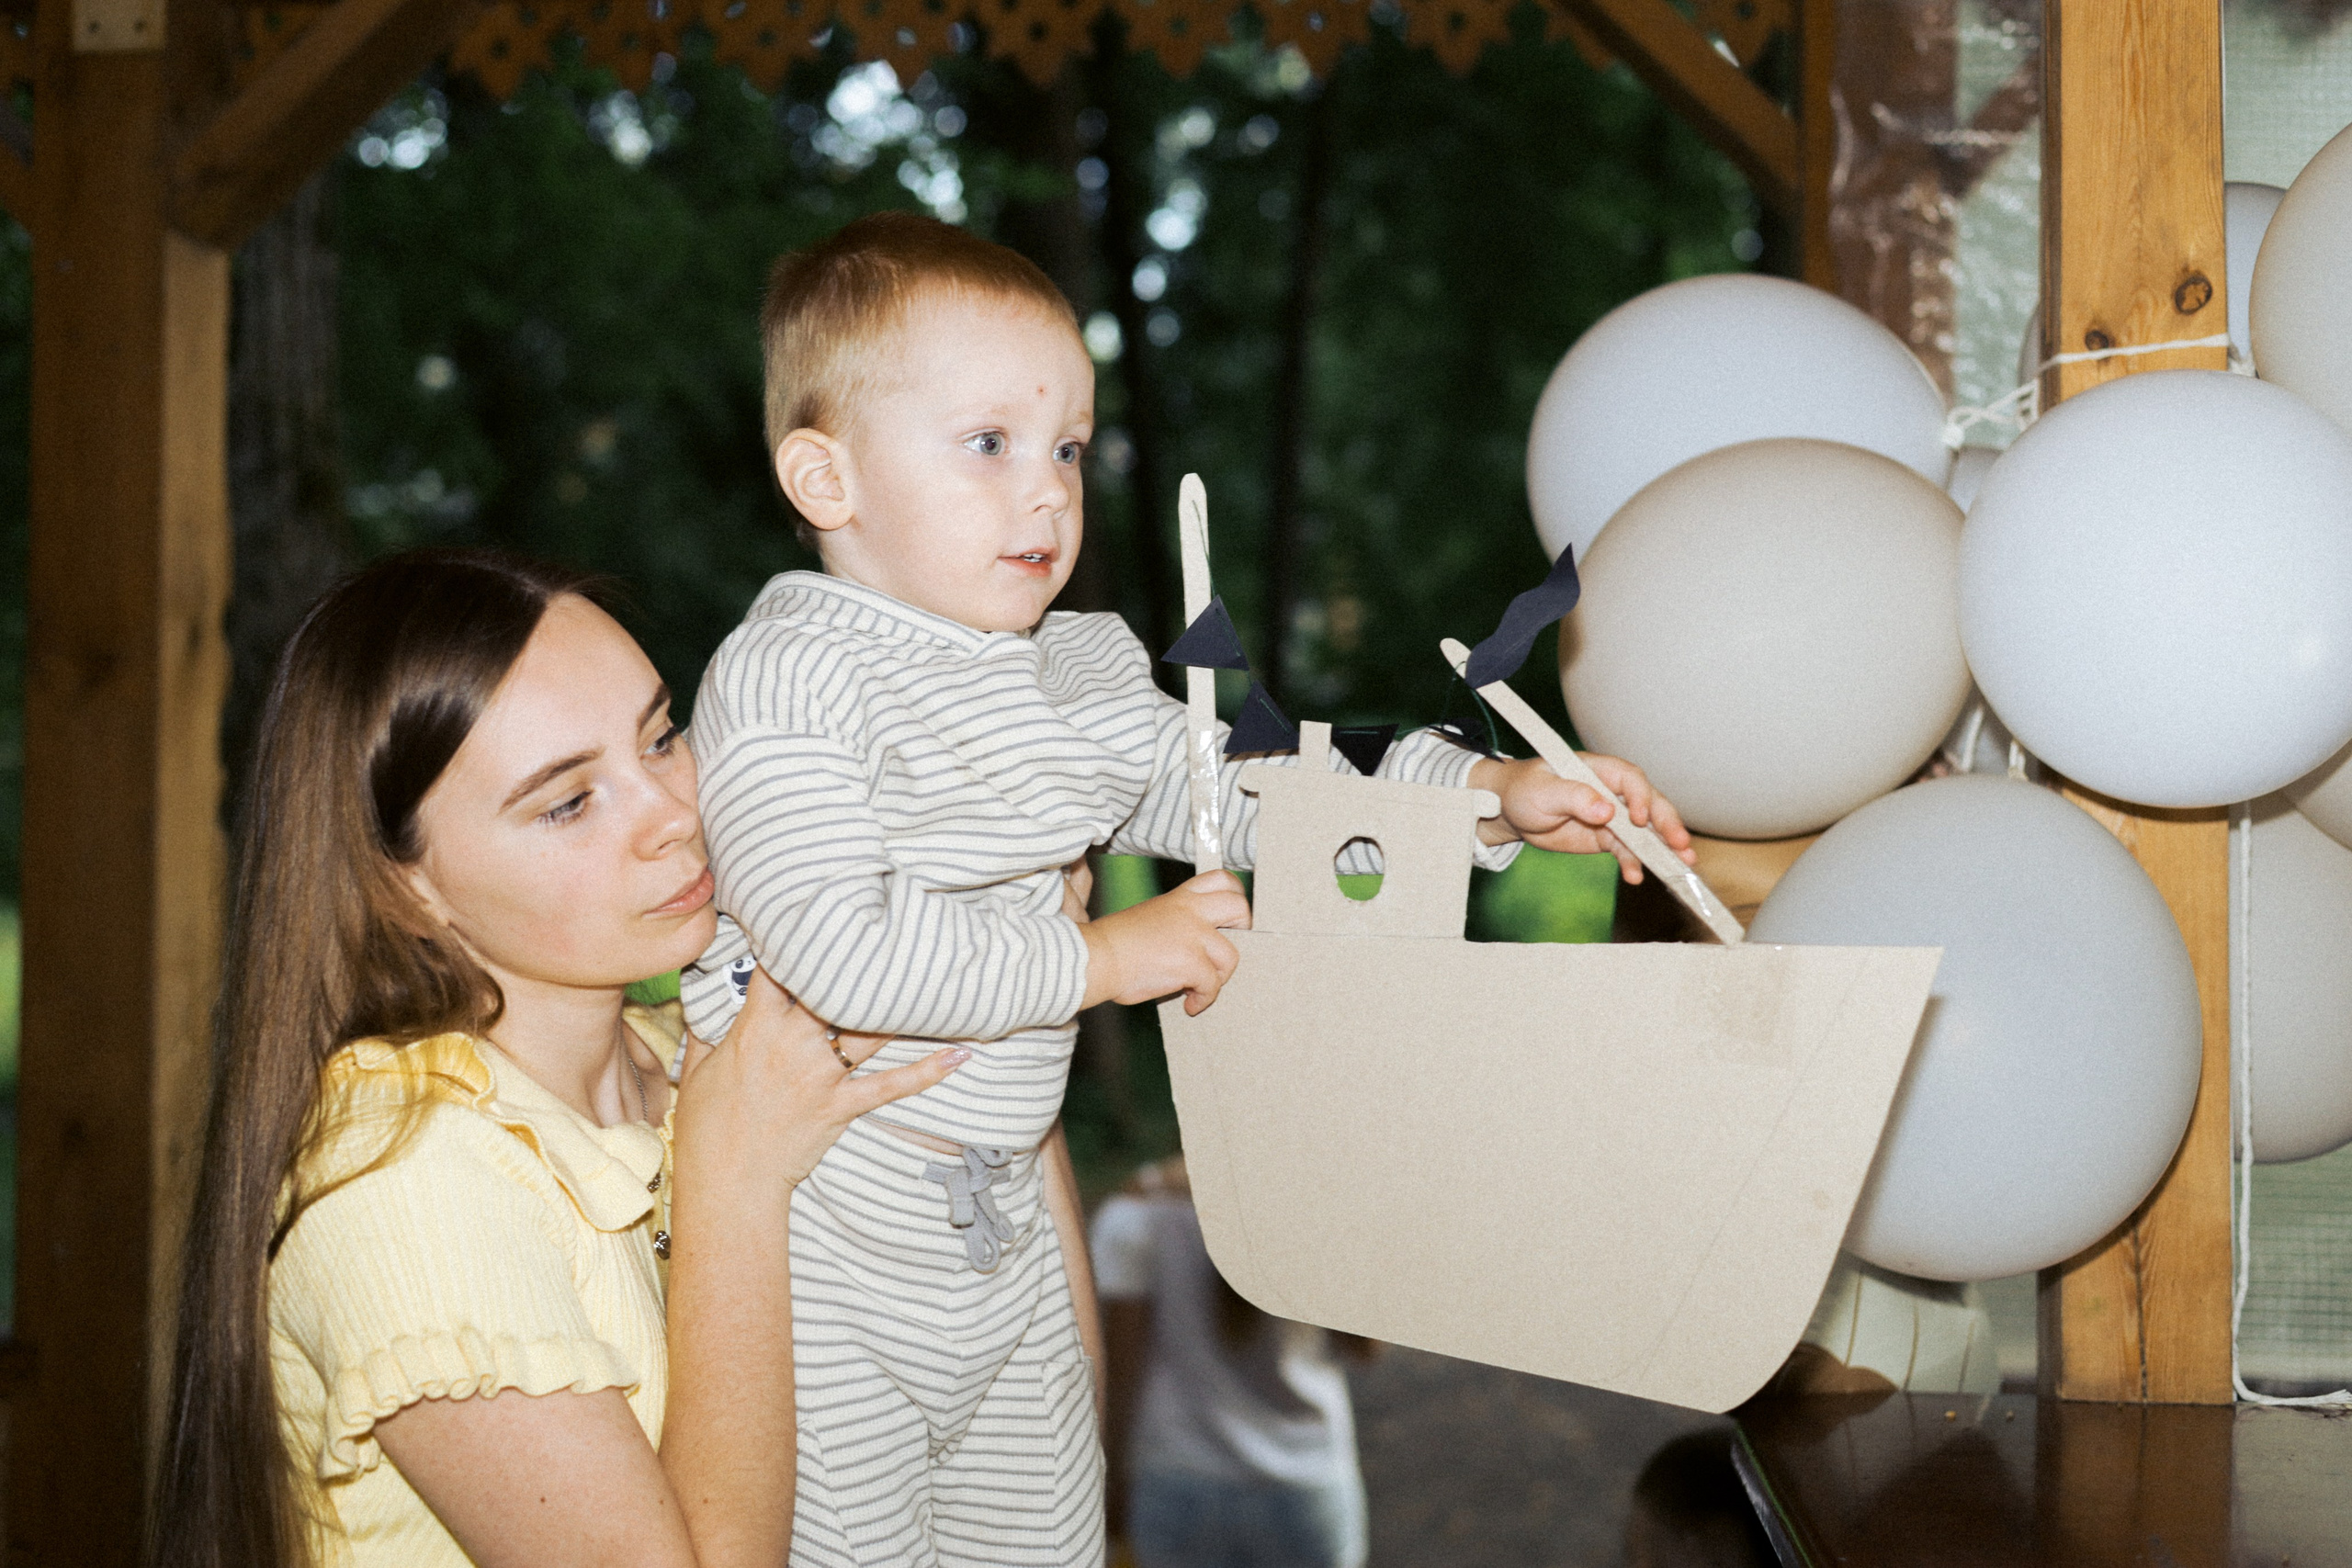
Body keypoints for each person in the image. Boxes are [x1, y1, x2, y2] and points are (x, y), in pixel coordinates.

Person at [676, 209, 1696, 1565]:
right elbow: (840, 954)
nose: (1046, 489)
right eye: (987, 443)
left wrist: (1485, 795)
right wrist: (1108, 958)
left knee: (1046, 1542)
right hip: (833, 1243)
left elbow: (1256, 782)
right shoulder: (792, 675)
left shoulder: (1075, 667)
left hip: (1010, 1237)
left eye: (1067, 447)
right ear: (825, 477)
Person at [153, 549, 970, 1568]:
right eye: (568, 802)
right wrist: (734, 1181)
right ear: (406, 888)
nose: (676, 815)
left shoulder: (707, 1057)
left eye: (662, 738)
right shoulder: (401, 1184)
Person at [1091, 1156, 1373, 1568]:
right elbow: (1365, 1349)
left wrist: (1112, 1481)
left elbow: (1120, 1375)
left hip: (1175, 1477)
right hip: (1304, 1477)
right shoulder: (1321, 1208)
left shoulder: (1135, 1215)